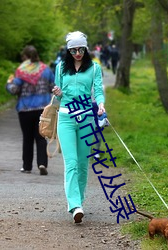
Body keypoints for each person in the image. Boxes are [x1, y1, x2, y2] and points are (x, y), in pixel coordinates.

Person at [52, 31, 105, 223]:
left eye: (81, 49)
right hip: (65, 118)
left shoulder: (94, 68)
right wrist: (57, 92)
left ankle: (79, 201)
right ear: (68, 50)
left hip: (87, 119)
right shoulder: (60, 68)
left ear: (86, 48)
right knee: (71, 162)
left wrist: (100, 104)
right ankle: (74, 205)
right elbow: (58, 97)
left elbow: (98, 90)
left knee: (83, 164)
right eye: (73, 50)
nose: (77, 53)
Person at [6, 45, 55, 175]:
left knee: (27, 138)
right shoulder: (46, 70)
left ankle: (27, 166)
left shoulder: (21, 71)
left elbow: (14, 90)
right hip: (42, 109)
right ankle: (42, 163)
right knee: (41, 137)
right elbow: (53, 87)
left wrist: (9, 83)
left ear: (25, 57)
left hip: (25, 109)